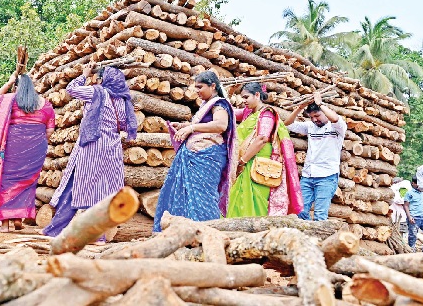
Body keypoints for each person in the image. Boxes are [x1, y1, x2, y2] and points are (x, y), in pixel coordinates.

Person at [43, 64, 137, 240]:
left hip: (92, 146)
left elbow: (71, 90)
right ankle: (98, 236)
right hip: (112, 148)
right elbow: (124, 126)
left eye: (98, 78)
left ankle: (56, 230)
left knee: (78, 185)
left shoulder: (97, 92)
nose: (96, 80)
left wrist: (83, 75)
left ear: (103, 80)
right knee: (104, 190)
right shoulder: (124, 101)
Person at [0, 72, 55, 232]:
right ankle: (18, 217)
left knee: (6, 183)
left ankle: (5, 224)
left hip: (12, 146)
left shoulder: (10, 99)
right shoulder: (46, 104)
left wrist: (8, 82)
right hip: (36, 149)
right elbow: (50, 131)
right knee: (26, 184)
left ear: (17, 86)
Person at [153, 71, 236, 231]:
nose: (197, 91)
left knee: (203, 197)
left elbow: (220, 125)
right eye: (195, 87)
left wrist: (192, 127)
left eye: (200, 87)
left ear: (213, 86)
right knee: (186, 196)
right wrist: (184, 126)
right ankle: (183, 234)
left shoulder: (219, 104)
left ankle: (206, 233)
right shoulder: (207, 105)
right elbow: (205, 127)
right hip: (195, 155)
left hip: (207, 157)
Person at [228, 82, 303, 217]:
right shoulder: (248, 113)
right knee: (239, 198)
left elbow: (262, 139)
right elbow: (227, 111)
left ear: (257, 95)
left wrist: (243, 161)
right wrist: (229, 92)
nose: (243, 101)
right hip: (245, 160)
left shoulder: (266, 114)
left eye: (246, 97)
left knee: (255, 199)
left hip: (257, 163)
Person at [285, 92, 346, 221]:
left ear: (325, 112)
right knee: (299, 212)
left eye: (317, 115)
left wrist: (320, 104)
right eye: (311, 117)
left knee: (320, 215)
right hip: (308, 176)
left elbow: (335, 118)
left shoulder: (337, 128)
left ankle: (319, 240)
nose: (314, 119)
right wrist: (300, 108)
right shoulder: (310, 127)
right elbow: (288, 124)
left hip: (327, 177)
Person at [404, 175, 423, 252]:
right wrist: (409, 217)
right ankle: (412, 252)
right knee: (412, 236)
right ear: (413, 183)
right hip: (414, 218)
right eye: (418, 183)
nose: (420, 185)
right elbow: (406, 206)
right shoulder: (409, 193)